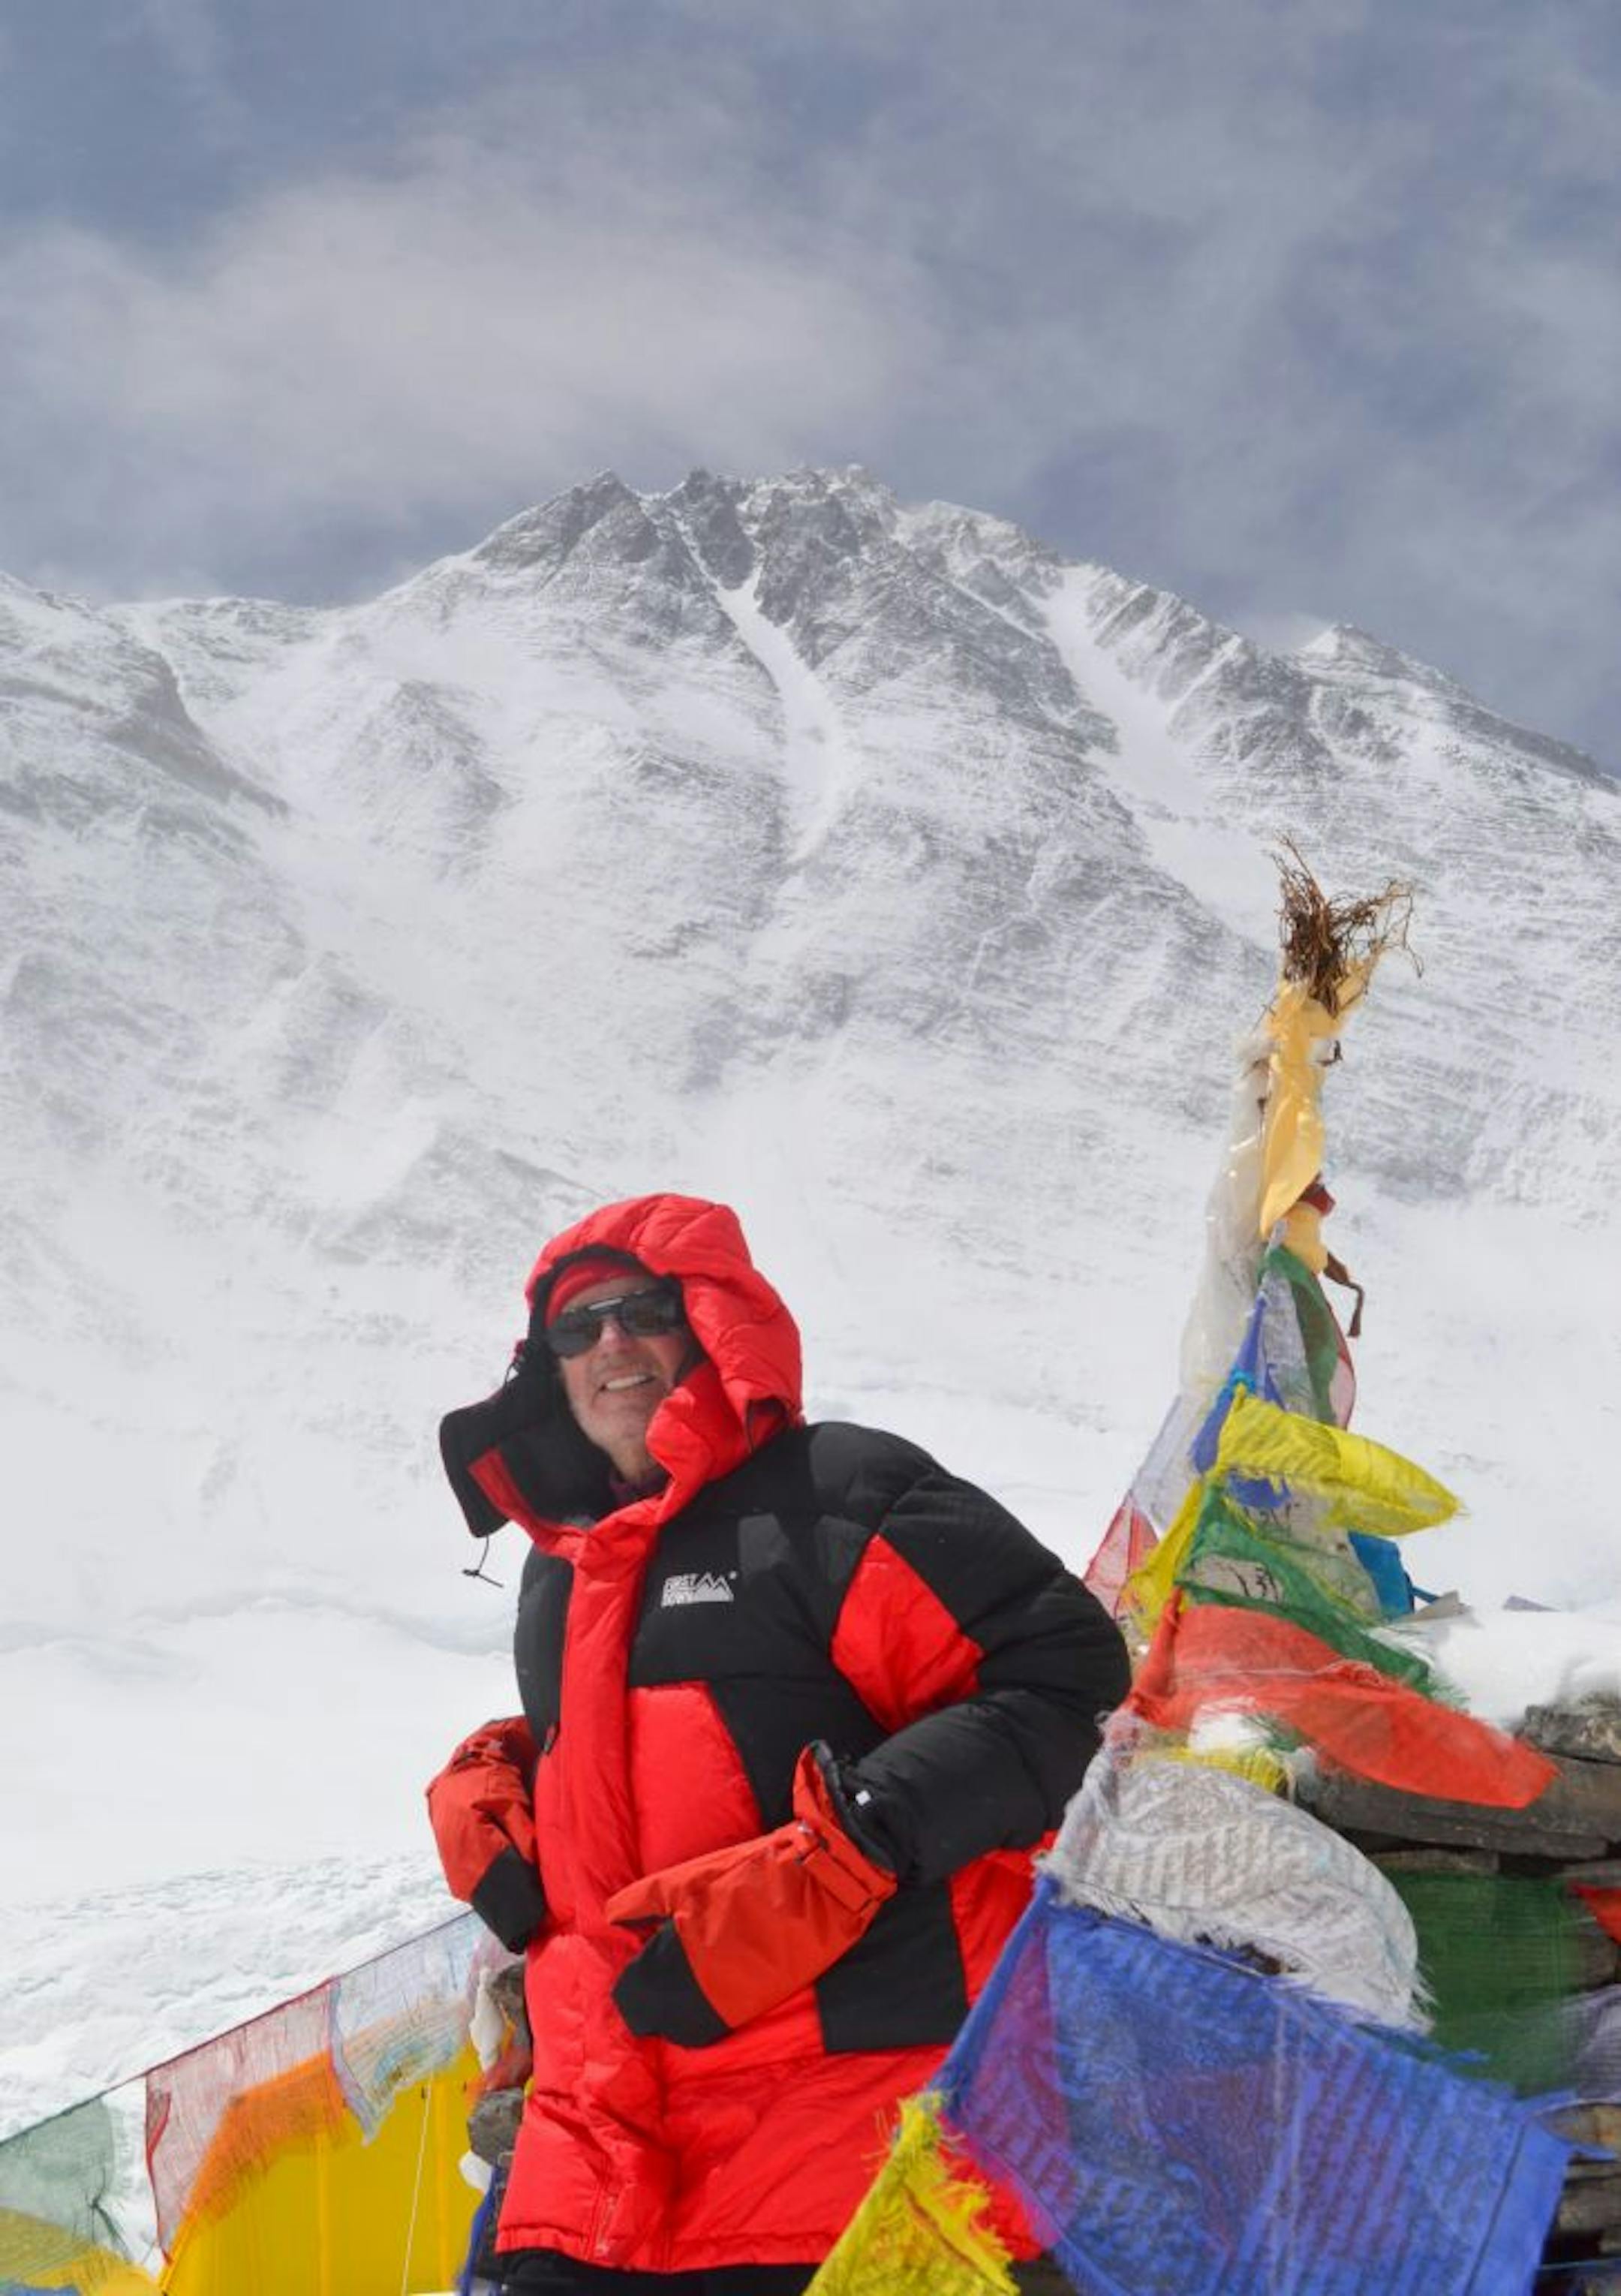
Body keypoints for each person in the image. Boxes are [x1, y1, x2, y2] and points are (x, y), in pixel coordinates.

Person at [427, 1193, 1129, 2294]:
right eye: (578, 1327)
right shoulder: (559, 1572)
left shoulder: (834, 1495)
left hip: (852, 2162)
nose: (611, 1343)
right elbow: (656, 1733)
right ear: (547, 1372)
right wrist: (499, 1778)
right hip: (599, 2175)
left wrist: (843, 1854)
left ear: (709, 1322)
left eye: (642, 1310)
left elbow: (1064, 1682)